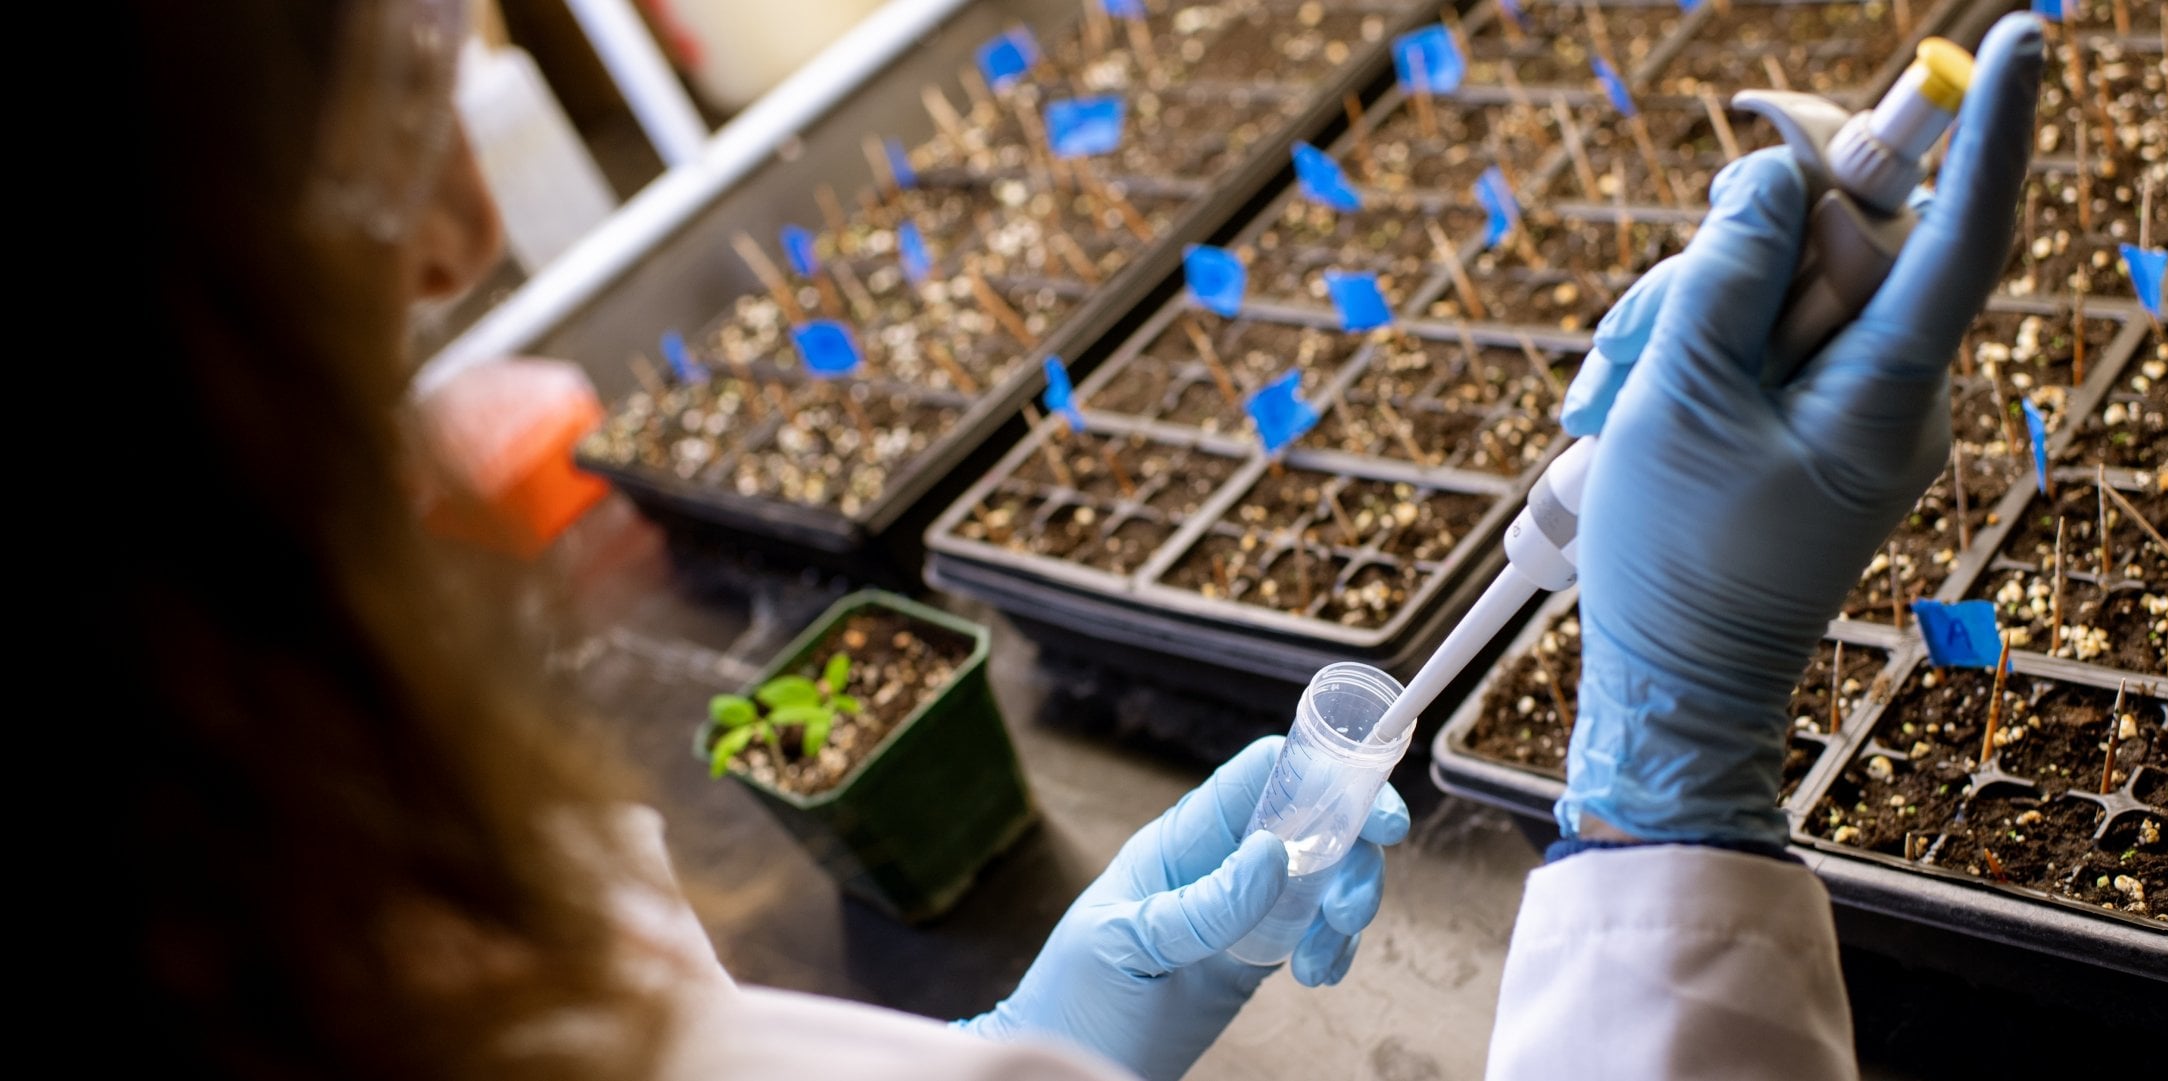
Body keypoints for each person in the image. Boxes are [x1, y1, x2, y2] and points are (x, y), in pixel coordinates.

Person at [106, 0, 2042, 1078]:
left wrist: (1040, 1045)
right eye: (371, 136)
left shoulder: (279, 860)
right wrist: (1666, 778)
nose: (458, 237)